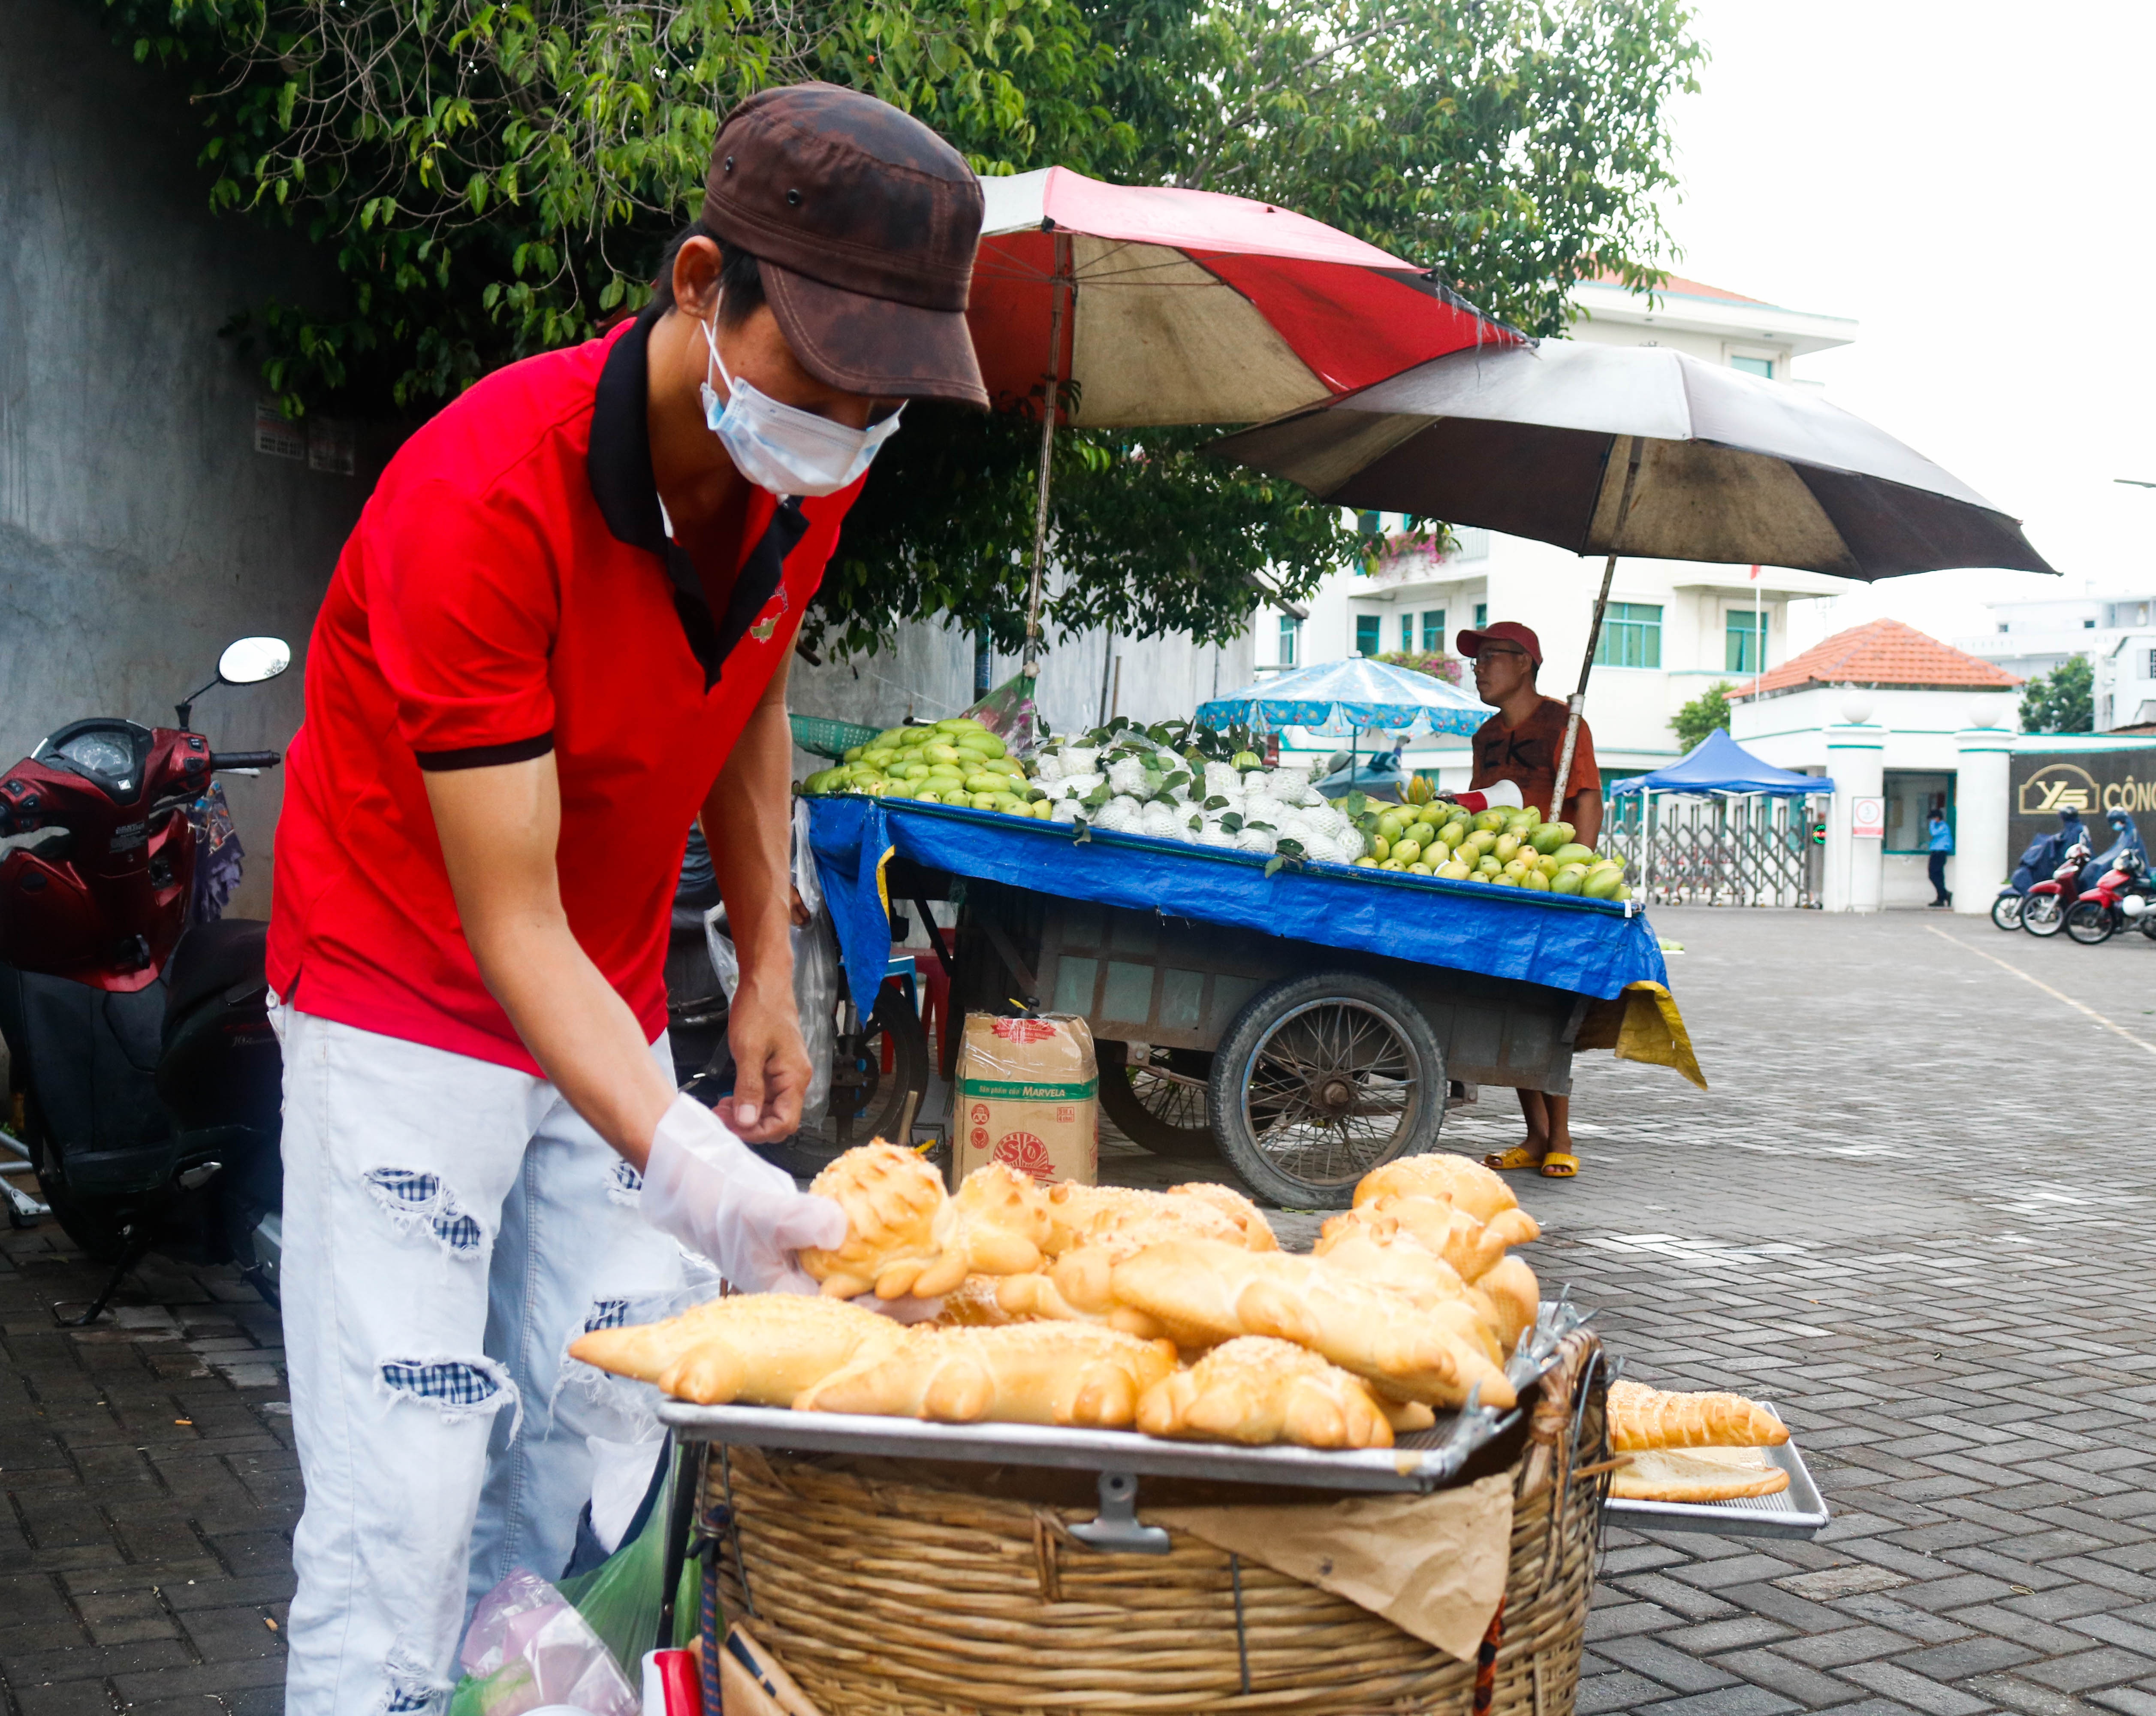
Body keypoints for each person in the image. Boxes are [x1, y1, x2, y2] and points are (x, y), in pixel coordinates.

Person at [264, 84, 989, 1714]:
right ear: (696, 284)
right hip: (401, 990)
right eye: (830, 367)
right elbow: (504, 923)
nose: (858, 420)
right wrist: (706, 1171)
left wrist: (760, 949)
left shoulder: (812, 462)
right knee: (414, 1470)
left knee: (627, 1426)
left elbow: (751, 672)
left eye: (891, 392)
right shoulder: (483, 494)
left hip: (594, 983)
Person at [1450, 621, 1601, 1180]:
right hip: (1501, 880)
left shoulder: (1564, 724)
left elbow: (1586, 801)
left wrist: (1577, 872)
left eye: (1490, 657)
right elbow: (1478, 801)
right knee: (1511, 1001)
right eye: (1476, 660)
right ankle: (1535, 1135)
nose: (1479, 668)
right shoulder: (1484, 736)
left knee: (1547, 1005)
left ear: (1523, 664)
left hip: (1552, 885)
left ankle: (1560, 1135)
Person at [1925, 806, 1954, 907]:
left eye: (1933, 819)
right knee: (1938, 876)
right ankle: (1941, 898)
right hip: (1936, 852)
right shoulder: (1940, 826)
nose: (1932, 821)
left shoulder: (1943, 826)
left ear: (1937, 818)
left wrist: (1933, 823)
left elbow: (1933, 833)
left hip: (1940, 853)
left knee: (1933, 874)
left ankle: (1945, 894)